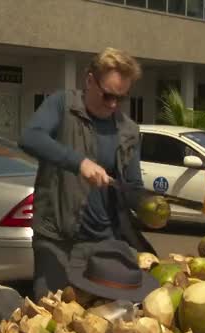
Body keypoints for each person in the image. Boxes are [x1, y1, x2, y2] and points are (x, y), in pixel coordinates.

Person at [18, 47, 156, 301]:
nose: (113, 104)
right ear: (90, 80)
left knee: (101, 326)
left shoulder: (128, 130)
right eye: (107, 95)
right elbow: (29, 137)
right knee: (50, 320)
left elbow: (132, 186)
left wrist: (147, 204)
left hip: (106, 244)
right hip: (58, 240)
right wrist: (78, 162)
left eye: (121, 98)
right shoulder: (63, 105)